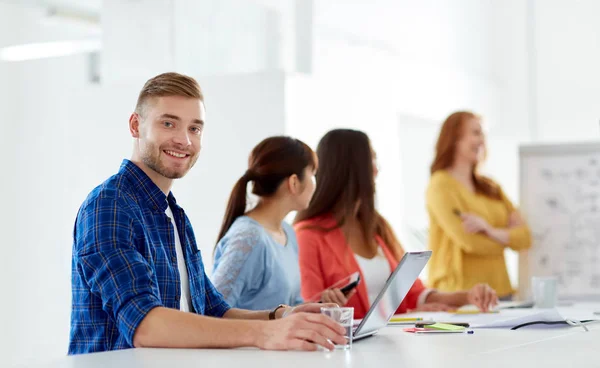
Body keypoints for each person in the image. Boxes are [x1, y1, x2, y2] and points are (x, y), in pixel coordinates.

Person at [68, 72, 345, 355]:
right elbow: (145, 325)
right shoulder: (109, 206)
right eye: (168, 123)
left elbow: (213, 309)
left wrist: (284, 316)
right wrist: (266, 333)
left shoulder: (174, 215)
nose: (184, 141)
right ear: (136, 125)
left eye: (194, 129)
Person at [294, 129, 498, 319]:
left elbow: (413, 292)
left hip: (389, 346)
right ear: (352, 167)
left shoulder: (377, 227)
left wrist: (468, 296)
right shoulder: (307, 235)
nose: (377, 169)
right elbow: (309, 309)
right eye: (371, 159)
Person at [212, 136, 351, 309]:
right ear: (293, 182)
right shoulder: (248, 238)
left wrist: (320, 306)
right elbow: (213, 313)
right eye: (312, 174)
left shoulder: (287, 232)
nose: (315, 184)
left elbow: (288, 308)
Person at [426, 111, 532, 300]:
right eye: (475, 133)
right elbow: (470, 242)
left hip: (501, 291)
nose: (482, 141)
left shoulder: (491, 187)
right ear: (455, 138)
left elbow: (525, 238)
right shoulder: (440, 185)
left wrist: (490, 231)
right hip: (460, 295)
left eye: (483, 134)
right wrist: (507, 240)